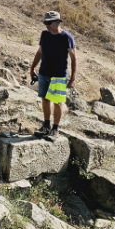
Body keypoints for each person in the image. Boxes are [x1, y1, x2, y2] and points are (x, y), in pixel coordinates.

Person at [29, 11, 78, 139]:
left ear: (57, 22)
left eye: (49, 22)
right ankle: (46, 125)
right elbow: (40, 52)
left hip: (59, 75)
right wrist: (32, 67)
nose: (46, 25)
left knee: (57, 102)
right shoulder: (44, 34)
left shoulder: (66, 37)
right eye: (45, 22)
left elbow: (74, 59)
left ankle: (55, 129)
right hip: (44, 72)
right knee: (45, 99)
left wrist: (72, 78)